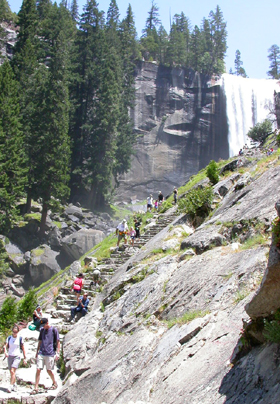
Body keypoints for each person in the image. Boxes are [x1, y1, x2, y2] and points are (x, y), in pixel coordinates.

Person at [31, 318, 60, 395]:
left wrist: (57, 353)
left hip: (50, 353)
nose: (43, 326)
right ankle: (36, 388)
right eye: (42, 325)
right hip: (41, 352)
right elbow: (40, 341)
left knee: (49, 370)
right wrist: (37, 352)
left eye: (44, 325)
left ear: (47, 323)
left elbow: (58, 342)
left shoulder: (54, 330)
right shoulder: (42, 330)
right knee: (38, 369)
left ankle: (54, 382)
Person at [4, 325, 27, 392]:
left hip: (17, 356)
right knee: (12, 372)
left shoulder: (20, 338)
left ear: (18, 332)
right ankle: (14, 384)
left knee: (12, 370)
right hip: (10, 356)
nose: (15, 333)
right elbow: (5, 346)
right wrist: (5, 352)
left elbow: (23, 348)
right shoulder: (9, 338)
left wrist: (25, 357)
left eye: (16, 332)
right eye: (14, 332)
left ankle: (10, 386)